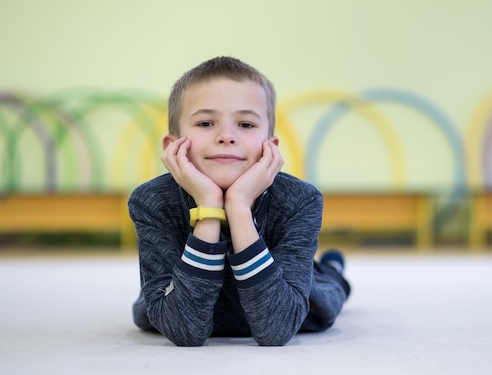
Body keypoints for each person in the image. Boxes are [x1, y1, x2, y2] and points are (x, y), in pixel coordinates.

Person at [129, 56, 351, 347]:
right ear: (173, 147)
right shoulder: (150, 201)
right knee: (149, 306)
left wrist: (238, 206)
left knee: (327, 287)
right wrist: (209, 206)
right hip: (177, 299)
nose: (227, 136)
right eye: (206, 122)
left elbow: (277, 329)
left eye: (246, 124)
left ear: (269, 148)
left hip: (284, 291)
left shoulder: (301, 200)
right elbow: (184, 329)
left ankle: (330, 268)